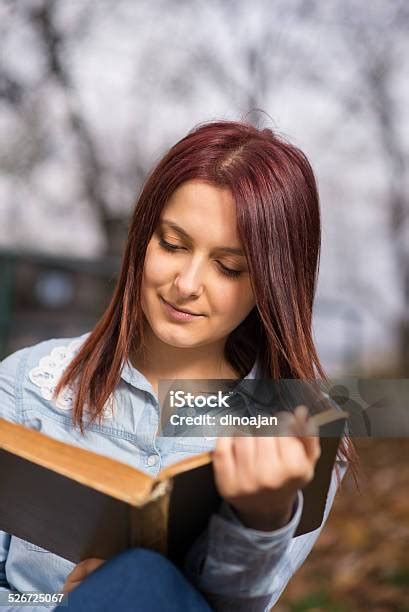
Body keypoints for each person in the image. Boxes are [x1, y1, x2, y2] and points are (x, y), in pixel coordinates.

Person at [0, 120, 356, 611]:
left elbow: (238, 606)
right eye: (172, 244)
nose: (186, 284)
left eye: (229, 267)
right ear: (143, 239)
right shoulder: (24, 384)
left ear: (272, 284)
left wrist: (264, 519)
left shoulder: (296, 432)